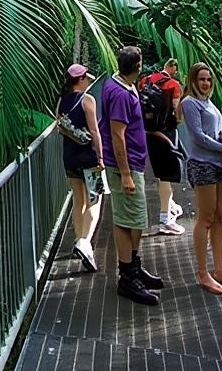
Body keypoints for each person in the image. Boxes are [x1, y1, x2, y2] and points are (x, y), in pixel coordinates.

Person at [98, 46, 163, 305]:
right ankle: (127, 277)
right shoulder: (119, 93)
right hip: (124, 166)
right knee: (129, 221)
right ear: (137, 66)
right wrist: (125, 173)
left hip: (133, 162)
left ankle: (134, 267)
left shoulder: (122, 85)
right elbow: (116, 134)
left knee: (134, 219)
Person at [181, 62, 222, 296]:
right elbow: (199, 138)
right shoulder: (189, 103)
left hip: (219, 164)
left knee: (221, 216)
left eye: (209, 79)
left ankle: (219, 270)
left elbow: (214, 134)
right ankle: (202, 273)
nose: (206, 83)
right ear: (193, 80)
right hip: (202, 165)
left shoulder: (209, 103)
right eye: (201, 79)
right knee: (206, 218)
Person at [58, 63, 106, 272]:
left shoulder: (62, 101)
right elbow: (95, 131)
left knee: (79, 200)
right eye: (86, 78)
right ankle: (85, 242)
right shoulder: (87, 100)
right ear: (81, 79)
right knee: (95, 199)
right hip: (88, 157)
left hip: (69, 157)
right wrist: (101, 157)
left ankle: (79, 238)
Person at [143, 59, 185, 235]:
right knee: (167, 176)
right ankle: (165, 219)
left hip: (148, 133)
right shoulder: (173, 85)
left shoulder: (145, 80)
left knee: (160, 173)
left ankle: (170, 205)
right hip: (166, 133)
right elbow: (177, 113)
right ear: (172, 67)